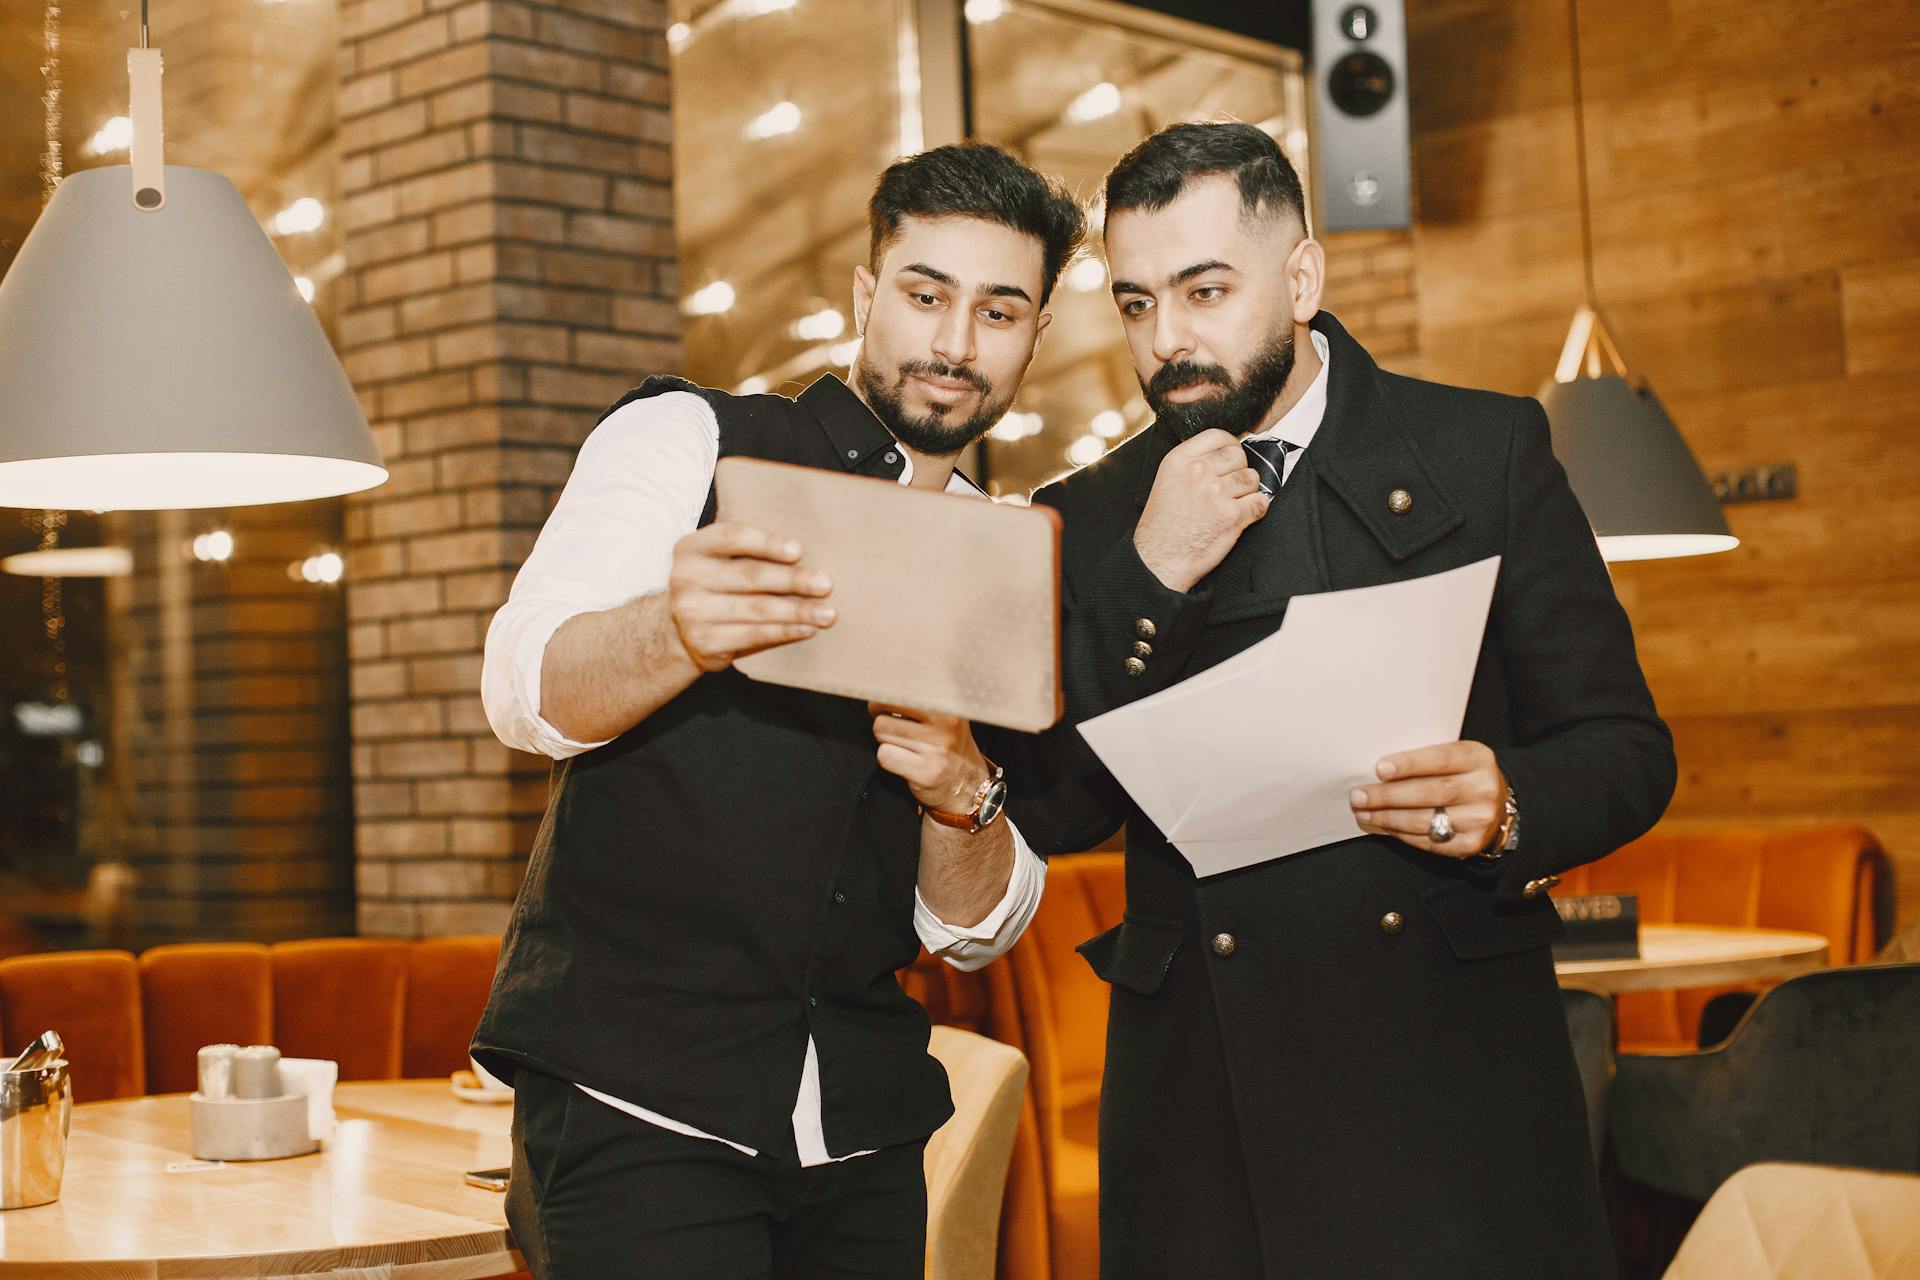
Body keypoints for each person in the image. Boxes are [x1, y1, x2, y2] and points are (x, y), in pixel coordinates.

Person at [1026, 121, 1677, 1279]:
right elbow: (1057, 808)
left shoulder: (1484, 450)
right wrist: (1149, 574)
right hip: (1203, 1108)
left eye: (1205, 289)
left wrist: (1510, 798)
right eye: (1133, 304)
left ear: (1303, 278)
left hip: (1448, 1085)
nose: (1167, 340)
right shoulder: (1092, 507)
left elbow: (1627, 745)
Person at [470, 142, 1085, 1279]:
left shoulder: (1005, 557)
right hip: (636, 1109)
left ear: (1034, 334)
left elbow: (975, 928)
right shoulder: (687, 440)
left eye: (999, 309)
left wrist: (961, 788)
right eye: (924, 294)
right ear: (865, 295)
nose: (954, 343)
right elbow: (522, 686)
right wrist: (676, 627)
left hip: (861, 1125)